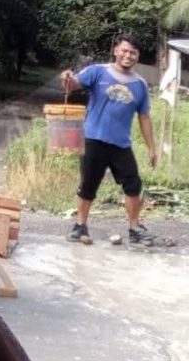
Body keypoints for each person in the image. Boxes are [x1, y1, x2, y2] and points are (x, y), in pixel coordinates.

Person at [61, 33, 166, 248]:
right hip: (93, 139)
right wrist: (67, 78)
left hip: (121, 144)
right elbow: (72, 85)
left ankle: (135, 228)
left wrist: (152, 148)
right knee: (88, 184)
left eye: (133, 52)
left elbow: (144, 117)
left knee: (133, 184)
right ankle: (80, 225)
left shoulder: (140, 85)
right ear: (116, 51)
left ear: (137, 56)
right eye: (125, 51)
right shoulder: (97, 72)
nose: (128, 55)